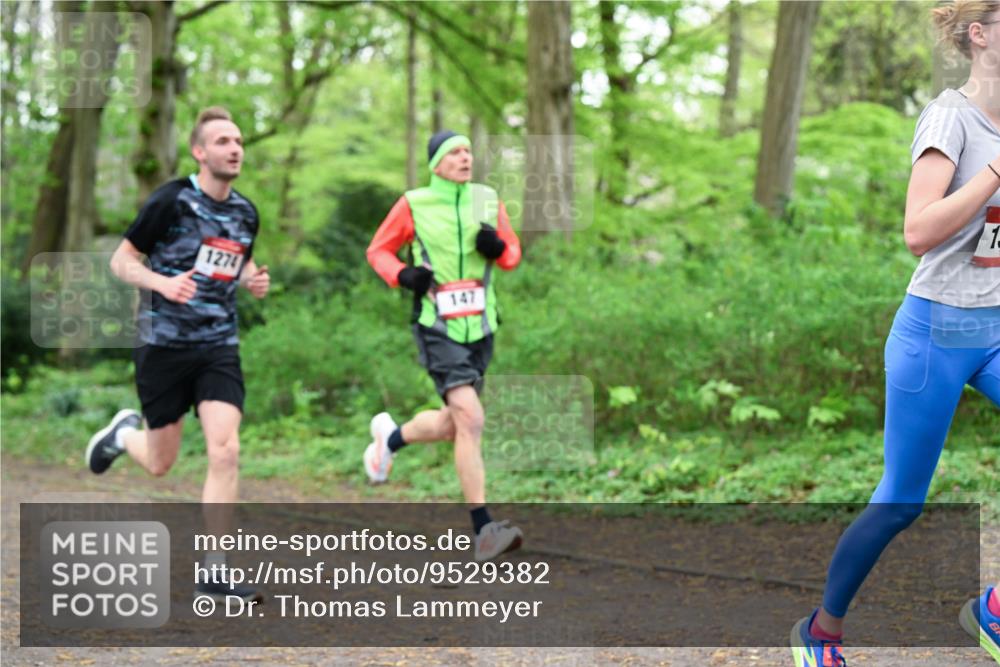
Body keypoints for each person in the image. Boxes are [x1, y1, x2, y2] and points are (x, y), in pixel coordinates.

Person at [791, 3, 1000, 666]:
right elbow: (918, 231)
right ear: (980, 34)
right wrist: (995, 173)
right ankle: (821, 629)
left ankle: (995, 611)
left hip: (996, 325)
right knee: (901, 501)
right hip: (935, 330)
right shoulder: (949, 117)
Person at [85, 106, 270, 602]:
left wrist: (252, 279)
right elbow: (121, 261)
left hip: (218, 345)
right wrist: (162, 283)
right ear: (199, 152)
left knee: (225, 450)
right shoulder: (171, 200)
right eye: (224, 141)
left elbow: (239, 260)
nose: (235, 148)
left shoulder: (246, 212)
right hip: (163, 345)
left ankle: (215, 570)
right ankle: (124, 436)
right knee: (160, 463)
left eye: (239, 141)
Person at [365, 130, 523, 562]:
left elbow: (512, 254)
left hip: (482, 325)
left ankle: (390, 439)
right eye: (455, 152)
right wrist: (403, 275)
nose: (465, 157)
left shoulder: (486, 199)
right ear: (436, 163)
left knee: (455, 425)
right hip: (437, 325)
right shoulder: (414, 203)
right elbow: (379, 251)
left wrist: (499, 248)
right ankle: (484, 530)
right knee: (472, 418)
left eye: (468, 150)